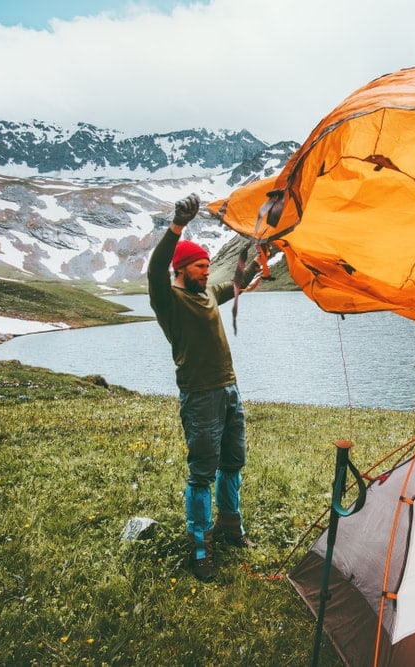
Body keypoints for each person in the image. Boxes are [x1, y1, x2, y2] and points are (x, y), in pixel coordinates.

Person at [147, 192, 258, 582]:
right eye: (200, 266)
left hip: (229, 391)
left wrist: (255, 266)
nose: (206, 272)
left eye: (209, 265)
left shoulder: (207, 291)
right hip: (199, 397)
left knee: (233, 462)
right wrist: (177, 225)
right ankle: (200, 546)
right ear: (182, 269)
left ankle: (231, 528)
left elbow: (230, 285)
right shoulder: (169, 299)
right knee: (201, 473)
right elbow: (155, 268)